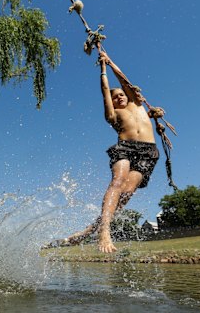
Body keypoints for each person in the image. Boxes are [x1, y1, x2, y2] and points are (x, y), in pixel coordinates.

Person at [63, 50, 159, 253]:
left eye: (122, 95)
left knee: (127, 193)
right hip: (124, 148)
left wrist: (110, 61)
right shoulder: (114, 115)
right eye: (116, 98)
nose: (120, 98)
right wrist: (103, 69)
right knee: (117, 182)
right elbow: (106, 90)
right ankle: (104, 232)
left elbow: (125, 80)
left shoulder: (138, 104)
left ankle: (89, 230)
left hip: (148, 152)